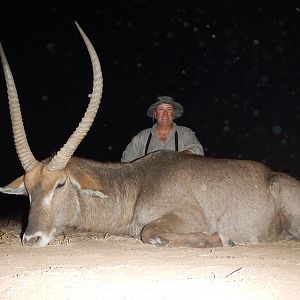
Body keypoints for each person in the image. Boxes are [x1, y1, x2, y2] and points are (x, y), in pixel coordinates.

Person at [121, 96, 204, 162]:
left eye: (169, 109)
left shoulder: (186, 133)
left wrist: (176, 158)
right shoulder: (141, 138)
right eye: (161, 109)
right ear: (155, 113)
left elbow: (198, 151)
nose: (165, 114)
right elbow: (126, 161)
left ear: (173, 113)